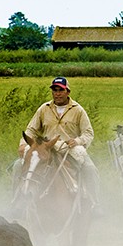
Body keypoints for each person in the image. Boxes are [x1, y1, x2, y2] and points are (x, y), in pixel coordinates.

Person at [21, 76, 101, 209]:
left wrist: (77, 141)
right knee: (19, 165)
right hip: (46, 148)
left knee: (90, 169)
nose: (57, 93)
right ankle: (17, 202)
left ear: (67, 91)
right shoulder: (44, 108)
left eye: (60, 90)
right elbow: (31, 129)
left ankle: (95, 204)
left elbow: (88, 133)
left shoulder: (78, 110)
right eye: (54, 90)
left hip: (68, 149)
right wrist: (22, 145)